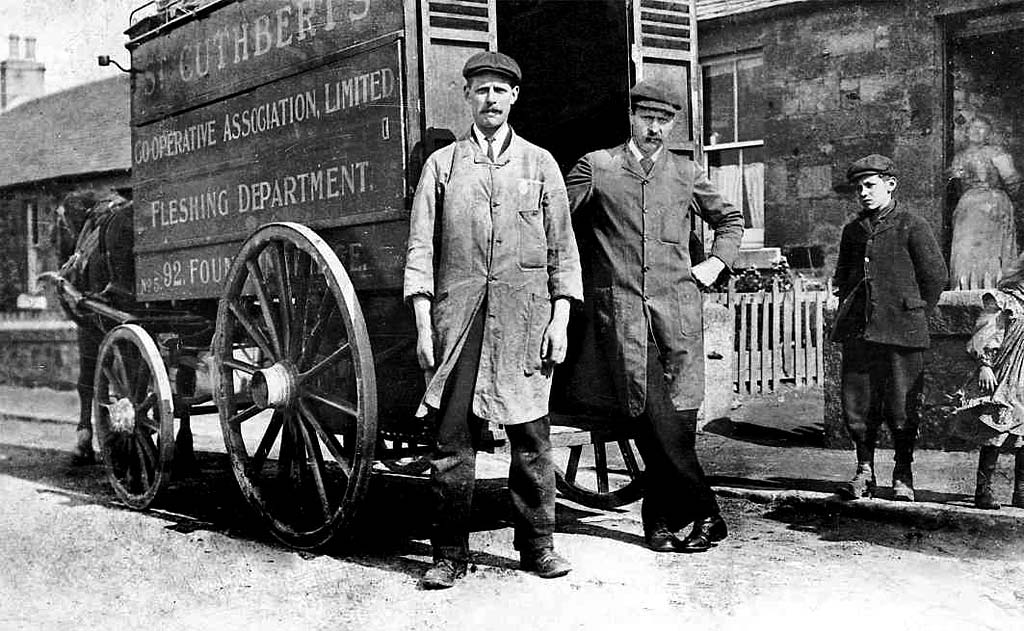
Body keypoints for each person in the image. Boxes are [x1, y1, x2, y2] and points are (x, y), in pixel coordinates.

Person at [403, 51, 583, 589]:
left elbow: (563, 250)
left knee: (531, 438)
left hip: (525, 320)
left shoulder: (540, 164)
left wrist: (561, 318)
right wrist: (420, 320)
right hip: (459, 322)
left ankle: (537, 546)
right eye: (480, 90)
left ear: (514, 98)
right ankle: (449, 553)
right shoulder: (445, 165)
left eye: (500, 91)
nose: (491, 99)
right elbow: (420, 247)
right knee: (453, 443)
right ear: (467, 97)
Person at [565, 80, 744, 553]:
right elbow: (555, 221)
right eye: (648, 118)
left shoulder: (686, 173)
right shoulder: (598, 167)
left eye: (664, 121)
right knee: (651, 411)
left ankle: (659, 522)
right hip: (621, 316)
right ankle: (708, 512)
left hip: (679, 313)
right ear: (632, 117)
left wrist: (716, 262)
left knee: (678, 420)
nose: (655, 129)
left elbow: (730, 219)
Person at [831, 154, 947, 502]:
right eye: (858, 188)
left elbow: (935, 277)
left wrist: (912, 312)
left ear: (890, 184)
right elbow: (843, 278)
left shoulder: (912, 224)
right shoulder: (853, 231)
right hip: (861, 332)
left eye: (870, 185)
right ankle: (864, 472)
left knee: (902, 406)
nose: (863, 193)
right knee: (859, 404)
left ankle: (903, 472)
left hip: (902, 331)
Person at [956, 253, 1024, 509]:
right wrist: (985, 364)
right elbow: (986, 334)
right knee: (995, 429)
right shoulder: (1004, 301)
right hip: (1004, 374)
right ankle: (983, 490)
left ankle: (1021, 491)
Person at [948, 115, 1022, 289]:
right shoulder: (959, 157)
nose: (976, 131)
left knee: (992, 250)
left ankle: (993, 287)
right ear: (966, 132)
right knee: (966, 249)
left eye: (982, 128)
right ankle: (967, 287)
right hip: (969, 207)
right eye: (973, 127)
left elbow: (1012, 180)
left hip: (993, 205)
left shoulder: (997, 153)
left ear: (989, 134)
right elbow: (956, 184)